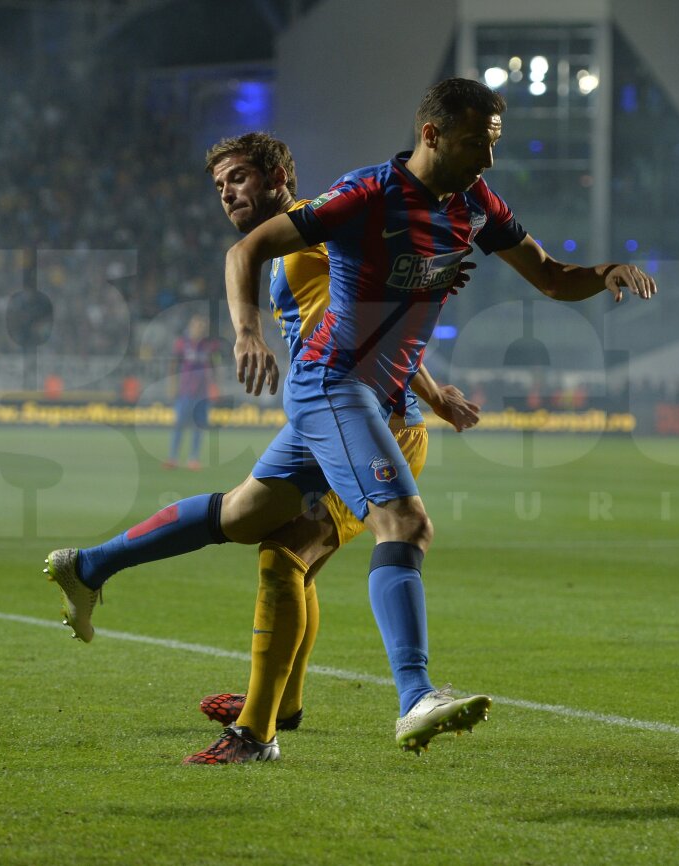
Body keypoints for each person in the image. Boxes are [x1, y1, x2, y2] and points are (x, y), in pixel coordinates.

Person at [49, 77, 655, 761]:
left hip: (366, 398)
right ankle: (412, 696)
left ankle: (91, 566)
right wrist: (247, 334)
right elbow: (254, 259)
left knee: (245, 518)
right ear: (431, 135)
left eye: (493, 145)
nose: (487, 162)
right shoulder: (364, 195)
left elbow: (547, 275)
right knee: (402, 526)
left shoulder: (475, 204)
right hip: (337, 390)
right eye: (475, 144)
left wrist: (602, 272)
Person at [45, 132, 482, 763]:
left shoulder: (326, 228)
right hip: (325, 417)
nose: (227, 193)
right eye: (220, 185)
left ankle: (262, 725)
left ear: (280, 174)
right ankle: (92, 569)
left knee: (286, 556)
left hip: (379, 422)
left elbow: (375, 326)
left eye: (239, 178)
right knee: (245, 520)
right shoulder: (281, 252)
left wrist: (433, 397)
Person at [165, 314, 223, 470]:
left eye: (202, 326)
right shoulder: (181, 343)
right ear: (191, 326)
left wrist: (216, 386)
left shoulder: (209, 345)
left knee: (199, 425)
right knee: (179, 424)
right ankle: (173, 457)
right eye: (197, 325)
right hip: (185, 391)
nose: (200, 328)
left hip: (202, 393)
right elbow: (173, 365)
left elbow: (215, 366)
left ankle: (193, 458)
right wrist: (172, 385)